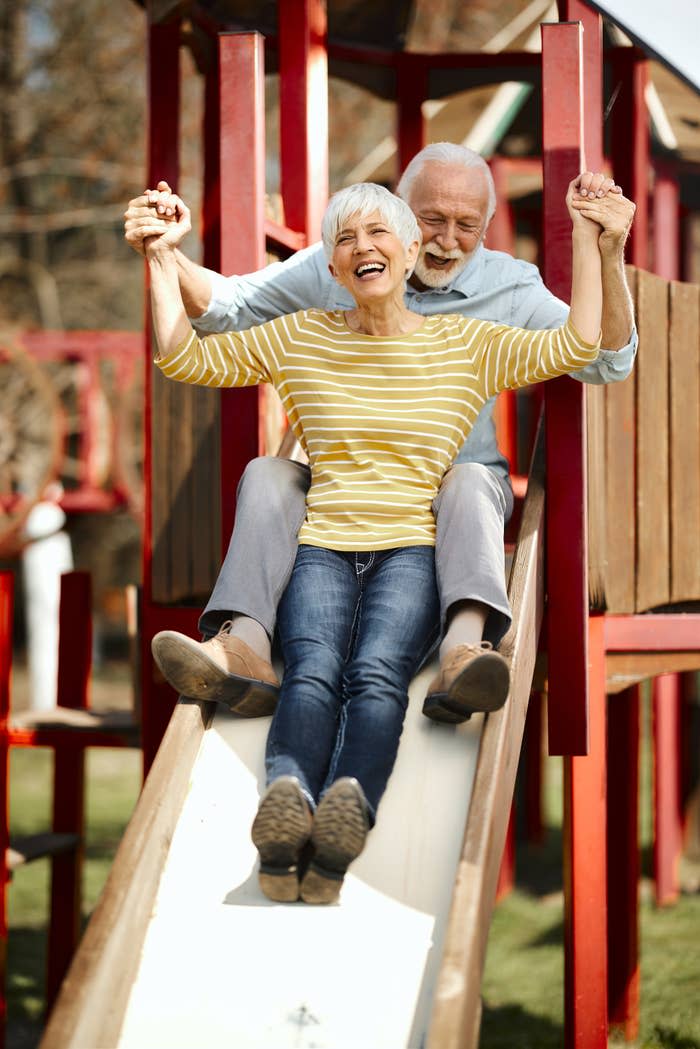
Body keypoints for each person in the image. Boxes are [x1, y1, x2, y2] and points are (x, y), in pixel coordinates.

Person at [145, 177, 612, 903]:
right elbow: (182, 357)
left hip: (413, 552)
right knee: (310, 673)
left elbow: (584, 341)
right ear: (331, 269)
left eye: (378, 233)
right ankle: (289, 798)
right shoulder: (302, 336)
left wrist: (590, 238)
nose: (362, 247)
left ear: (409, 250)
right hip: (324, 546)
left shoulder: (469, 344)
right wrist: (159, 257)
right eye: (345, 240)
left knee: (374, 676)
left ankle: (345, 815)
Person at [125, 143, 636, 724]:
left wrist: (607, 249)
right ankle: (242, 645)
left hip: (446, 491)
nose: (447, 239)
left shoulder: (506, 291)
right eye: (432, 219)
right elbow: (227, 307)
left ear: (487, 228)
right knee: (267, 473)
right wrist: (164, 253)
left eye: (466, 225)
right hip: (348, 491)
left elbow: (602, 360)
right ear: (399, 220)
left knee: (468, 481)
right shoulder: (347, 261)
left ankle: (464, 651)